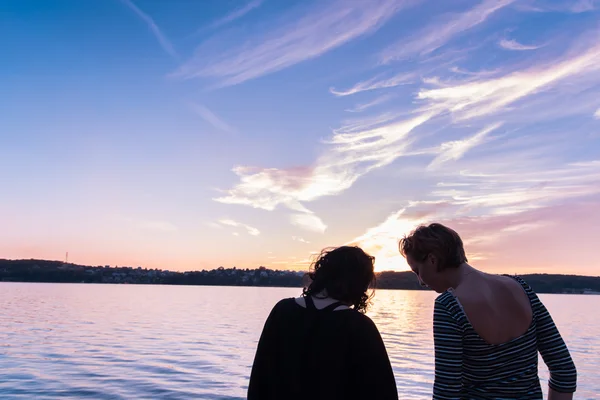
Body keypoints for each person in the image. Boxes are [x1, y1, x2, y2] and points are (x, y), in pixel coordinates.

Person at [399, 223, 577, 400]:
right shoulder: (521, 288)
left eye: (417, 271)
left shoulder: (449, 306)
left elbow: (447, 392)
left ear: (432, 259)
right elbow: (564, 370)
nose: (420, 281)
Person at [247, 246, 398, 400]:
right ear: (360, 285)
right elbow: (384, 392)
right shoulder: (360, 327)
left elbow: (259, 380)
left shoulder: (282, 310)